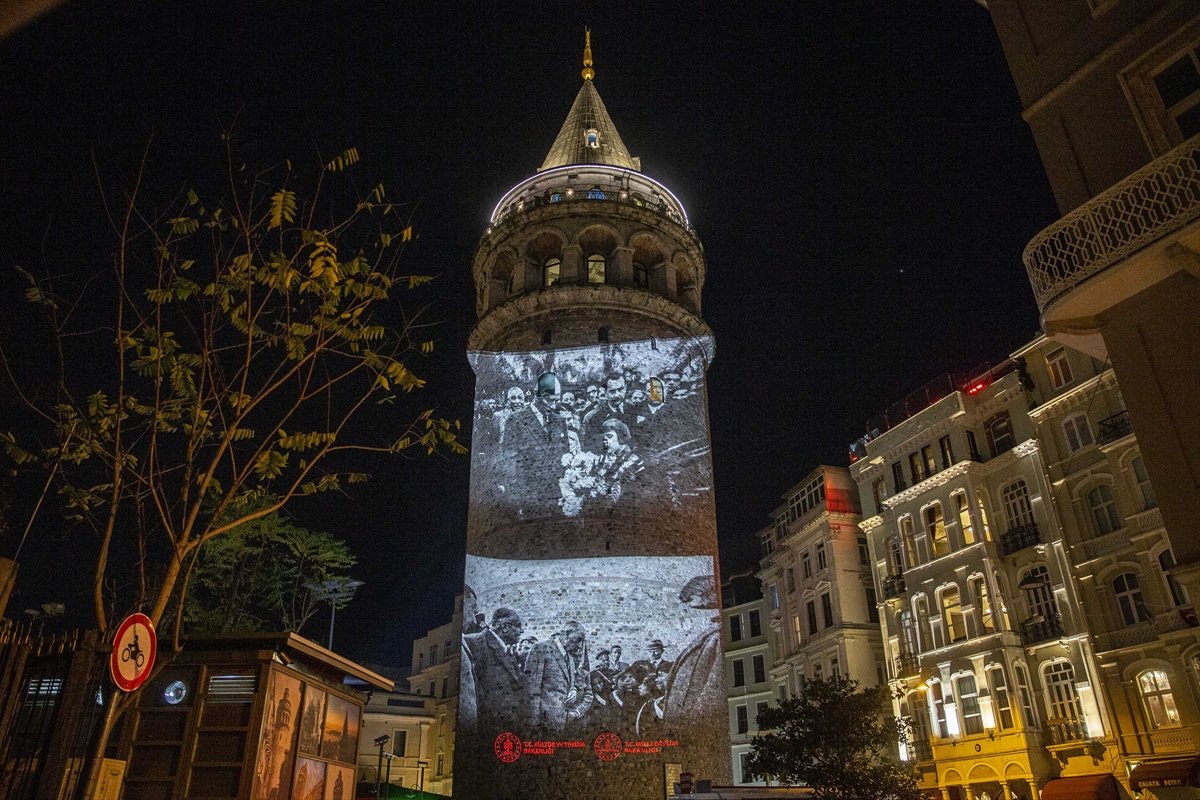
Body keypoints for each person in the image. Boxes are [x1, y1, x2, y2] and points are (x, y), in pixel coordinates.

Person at [461, 608, 526, 731]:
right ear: (505, 627)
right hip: (488, 728)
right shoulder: (476, 642)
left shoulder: (506, 649)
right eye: (518, 626)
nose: (521, 631)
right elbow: (472, 688)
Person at [524, 621, 593, 732]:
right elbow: (531, 689)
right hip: (543, 725)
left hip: (564, 723)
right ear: (566, 635)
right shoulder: (541, 648)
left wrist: (573, 690)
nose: (580, 646)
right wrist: (533, 725)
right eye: (578, 640)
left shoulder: (570, 657)